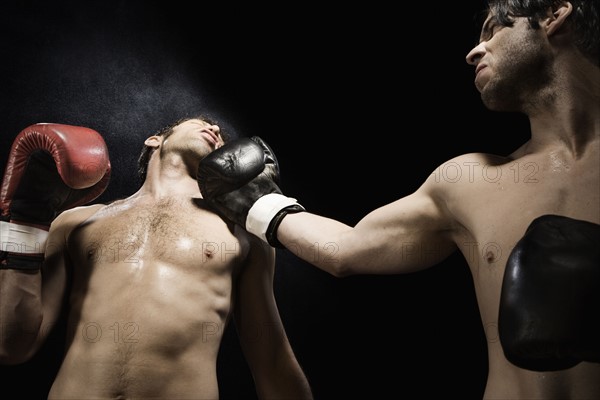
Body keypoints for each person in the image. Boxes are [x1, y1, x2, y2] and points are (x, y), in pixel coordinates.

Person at [196, 1, 600, 399]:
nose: (473, 51)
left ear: (553, 15)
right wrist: (253, 198)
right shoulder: (471, 180)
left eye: (495, 31)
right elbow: (347, 250)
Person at [0, 119, 313, 399]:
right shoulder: (75, 222)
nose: (216, 130)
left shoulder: (243, 233)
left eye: (220, 134)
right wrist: (27, 222)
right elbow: (12, 346)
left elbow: (271, 360)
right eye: (202, 123)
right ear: (154, 139)